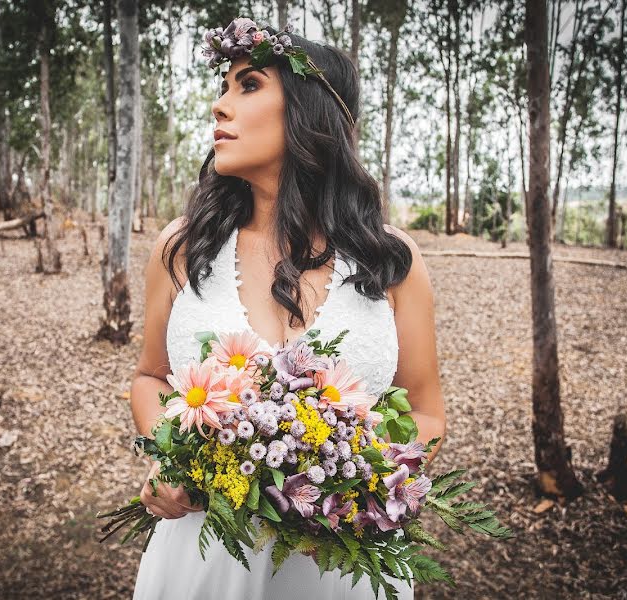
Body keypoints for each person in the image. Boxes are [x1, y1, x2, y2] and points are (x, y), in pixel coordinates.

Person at [129, 17, 445, 600]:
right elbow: (150, 378)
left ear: (309, 113)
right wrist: (167, 460)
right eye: (223, 87)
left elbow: (426, 414)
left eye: (247, 85)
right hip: (203, 562)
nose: (219, 107)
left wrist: (360, 482)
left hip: (339, 570)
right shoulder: (182, 249)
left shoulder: (392, 260)